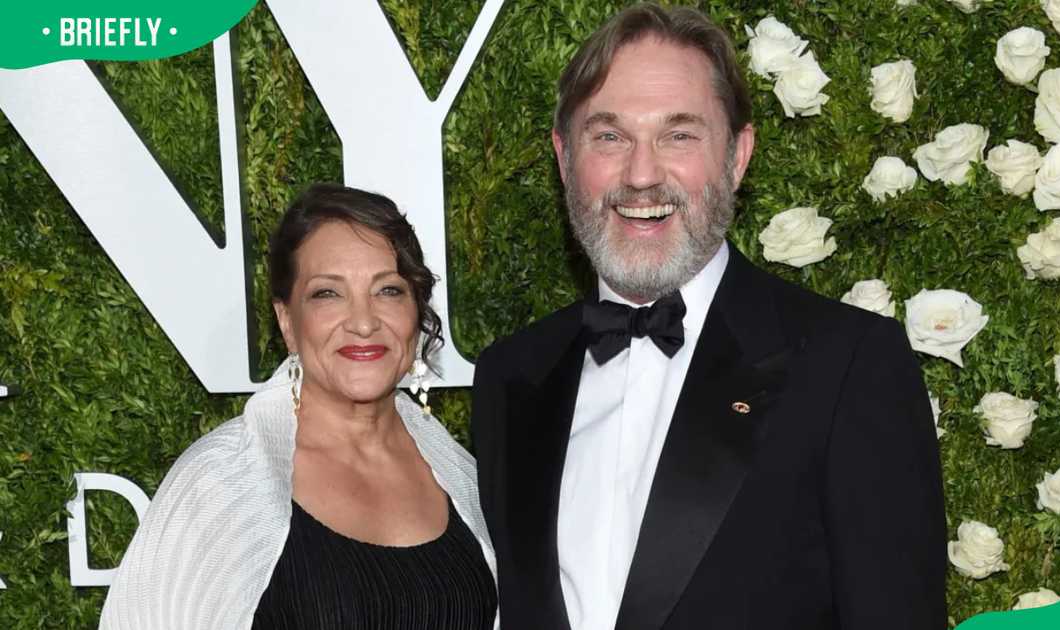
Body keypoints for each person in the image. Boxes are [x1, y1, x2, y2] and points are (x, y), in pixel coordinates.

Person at [471, 4, 946, 629]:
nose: (642, 175)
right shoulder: (512, 376)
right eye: (609, 136)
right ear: (563, 157)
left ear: (738, 155)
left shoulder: (847, 364)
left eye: (679, 135)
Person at [100, 184, 497, 630]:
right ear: (287, 321)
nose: (364, 322)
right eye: (328, 293)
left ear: (416, 311)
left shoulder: (461, 478)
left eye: (388, 290)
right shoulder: (220, 481)